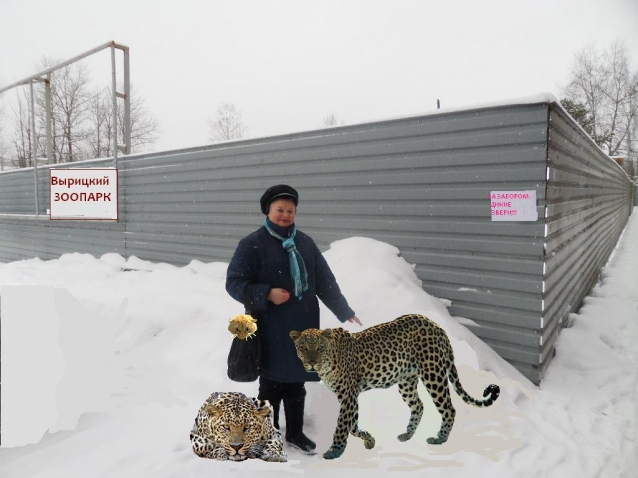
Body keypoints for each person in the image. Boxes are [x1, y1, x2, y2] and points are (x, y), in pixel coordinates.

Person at [226, 184, 362, 454]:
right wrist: (266, 293)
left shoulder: (305, 243)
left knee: (296, 383)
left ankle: (296, 432)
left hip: (303, 328)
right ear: (268, 211)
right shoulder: (252, 244)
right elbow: (234, 283)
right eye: (280, 210)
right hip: (268, 326)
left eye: (290, 210)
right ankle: (268, 432)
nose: (285, 215)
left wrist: (343, 310)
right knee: (271, 383)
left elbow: (324, 281)